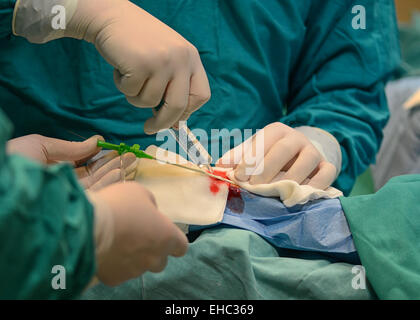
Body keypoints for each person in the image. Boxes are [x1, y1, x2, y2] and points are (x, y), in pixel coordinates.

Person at [0, 0, 400, 195]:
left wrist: (318, 141)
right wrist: (65, 8)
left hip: (244, 210)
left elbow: (348, 87)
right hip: (42, 199)